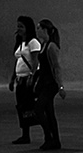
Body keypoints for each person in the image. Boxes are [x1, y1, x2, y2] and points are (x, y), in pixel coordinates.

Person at [9, 15, 41, 145]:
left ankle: (45, 131)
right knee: (22, 107)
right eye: (18, 26)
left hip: (27, 79)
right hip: (20, 79)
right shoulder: (21, 42)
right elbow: (18, 61)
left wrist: (32, 77)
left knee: (30, 106)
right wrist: (12, 79)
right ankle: (25, 134)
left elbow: (35, 61)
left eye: (21, 26)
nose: (19, 29)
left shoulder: (33, 42)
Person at [35, 19, 64, 151]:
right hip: (44, 82)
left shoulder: (51, 47)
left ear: (45, 29)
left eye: (39, 28)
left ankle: (49, 136)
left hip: (50, 84)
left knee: (39, 109)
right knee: (49, 111)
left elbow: (56, 67)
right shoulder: (44, 45)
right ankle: (54, 140)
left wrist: (60, 86)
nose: (37, 31)